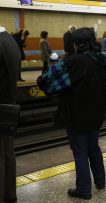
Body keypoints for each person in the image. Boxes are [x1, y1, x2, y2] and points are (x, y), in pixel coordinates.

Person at [37, 27, 106, 200]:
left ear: (76, 44)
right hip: (97, 113)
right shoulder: (101, 60)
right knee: (94, 148)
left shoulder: (74, 62)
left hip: (77, 114)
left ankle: (83, 189)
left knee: (80, 152)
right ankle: (100, 182)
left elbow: (45, 80)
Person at [0, 25, 20, 203]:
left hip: (0, 105)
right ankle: (10, 194)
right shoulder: (11, 41)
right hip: (9, 104)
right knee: (8, 153)